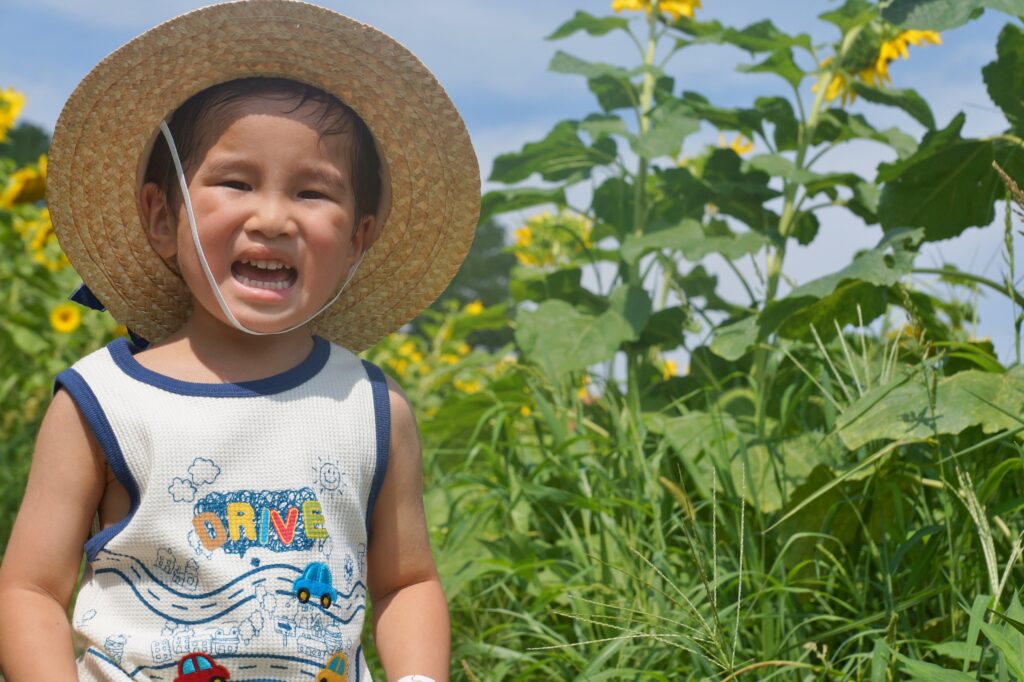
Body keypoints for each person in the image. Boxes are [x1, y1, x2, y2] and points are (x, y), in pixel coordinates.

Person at [0, 2, 479, 681]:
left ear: (358, 241)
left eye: (314, 193)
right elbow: (30, 590)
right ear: (162, 218)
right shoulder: (105, 403)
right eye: (235, 182)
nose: (274, 217)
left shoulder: (370, 409)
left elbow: (405, 584)